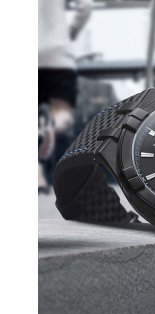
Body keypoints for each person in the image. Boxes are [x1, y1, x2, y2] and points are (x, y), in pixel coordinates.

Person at [38, 0, 93, 192]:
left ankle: (37, 176)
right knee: (62, 114)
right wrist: (70, 33)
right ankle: (52, 128)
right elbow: (86, 6)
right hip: (58, 55)